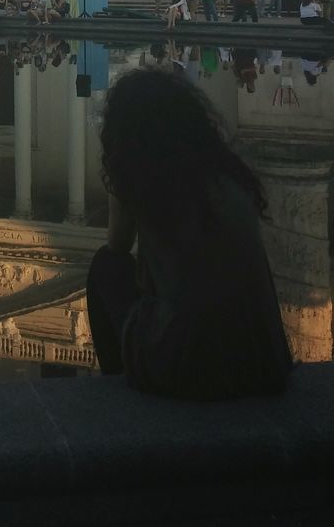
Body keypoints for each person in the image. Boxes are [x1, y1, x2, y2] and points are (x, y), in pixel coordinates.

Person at [86, 70, 292, 400]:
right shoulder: (228, 174)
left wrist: (118, 180)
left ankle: (121, 382)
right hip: (262, 362)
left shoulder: (141, 176)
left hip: (187, 368)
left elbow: (117, 246)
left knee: (106, 268)